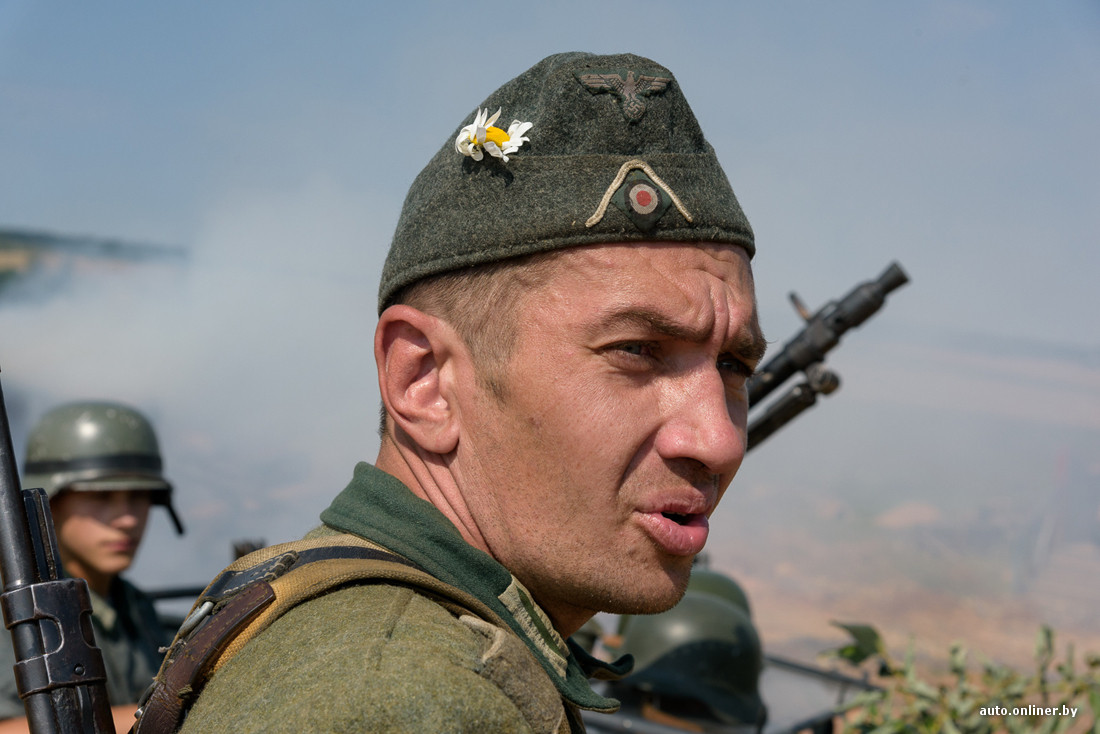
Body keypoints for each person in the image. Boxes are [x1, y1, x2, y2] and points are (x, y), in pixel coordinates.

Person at [178, 51, 765, 733]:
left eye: (735, 365)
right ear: (423, 381)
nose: (720, 441)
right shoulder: (405, 701)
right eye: (636, 351)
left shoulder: (378, 639)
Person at [0, 401, 184, 733]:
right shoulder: (17, 613)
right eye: (101, 496)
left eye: (139, 496)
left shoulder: (135, 607)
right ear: (51, 502)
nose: (128, 519)